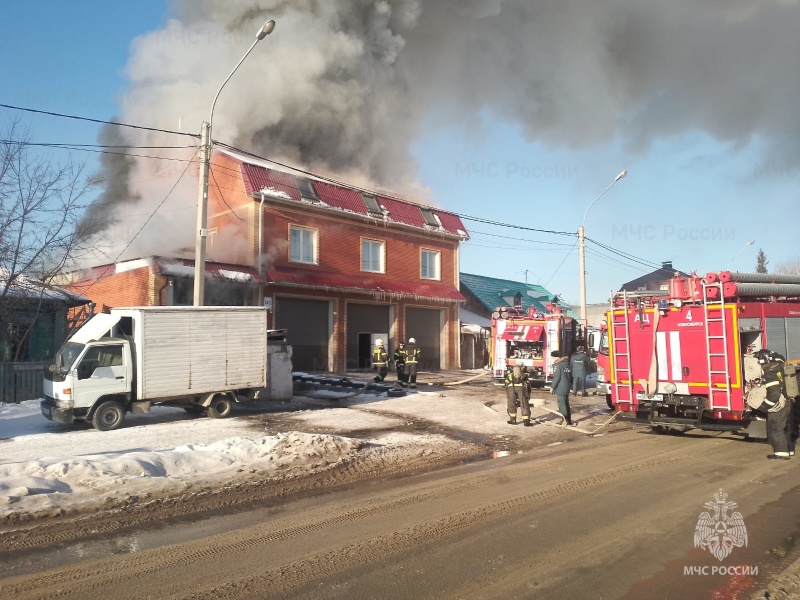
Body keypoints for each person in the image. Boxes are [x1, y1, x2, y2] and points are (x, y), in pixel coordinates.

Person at [754, 349, 794, 460]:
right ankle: (789, 450)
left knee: (775, 428)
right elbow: (780, 356)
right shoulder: (779, 365)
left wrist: (764, 407)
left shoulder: (770, 373)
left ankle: (781, 453)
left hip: (778, 406)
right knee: (785, 428)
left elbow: (774, 393)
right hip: (788, 402)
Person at [550, 350, 574, 426]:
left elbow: (556, 378)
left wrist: (552, 387)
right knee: (566, 404)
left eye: (554, 358)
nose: (553, 359)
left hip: (561, 387)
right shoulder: (567, 364)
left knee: (562, 404)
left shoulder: (559, 366)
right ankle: (569, 420)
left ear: (558, 357)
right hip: (566, 386)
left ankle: (565, 420)